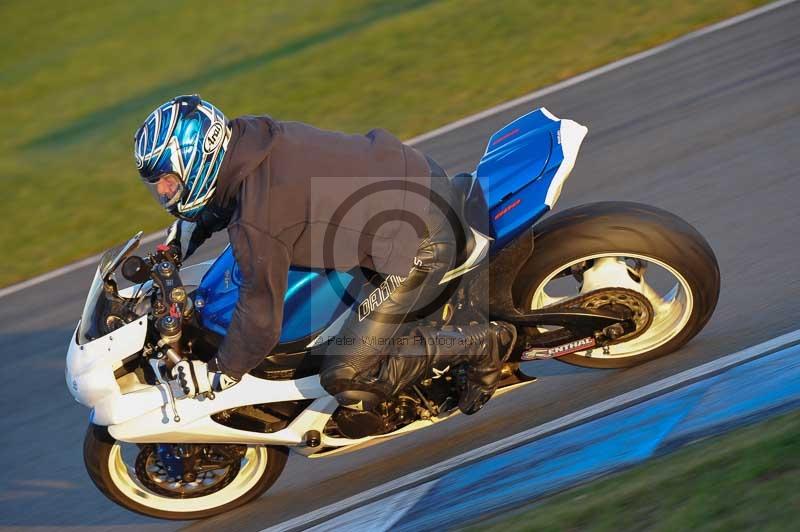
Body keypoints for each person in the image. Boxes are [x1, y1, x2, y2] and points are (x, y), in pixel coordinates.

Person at [133, 94, 515, 416]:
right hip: (411, 172)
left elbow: (261, 317)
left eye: (169, 181)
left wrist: (219, 371)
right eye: (159, 186)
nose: (166, 193)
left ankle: (482, 344)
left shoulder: (259, 219)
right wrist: (177, 246)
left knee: (347, 374)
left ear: (199, 158)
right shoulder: (251, 138)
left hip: (420, 241)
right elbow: (224, 196)